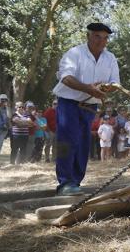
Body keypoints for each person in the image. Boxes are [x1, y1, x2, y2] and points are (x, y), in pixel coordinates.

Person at [52, 22, 120, 196]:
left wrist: (105, 88)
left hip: (90, 106)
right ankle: (65, 182)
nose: (101, 41)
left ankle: (75, 182)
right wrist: (89, 88)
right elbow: (66, 78)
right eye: (97, 36)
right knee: (66, 142)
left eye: (105, 38)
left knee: (83, 143)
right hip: (68, 103)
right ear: (88, 36)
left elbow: (115, 84)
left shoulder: (110, 58)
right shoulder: (74, 53)